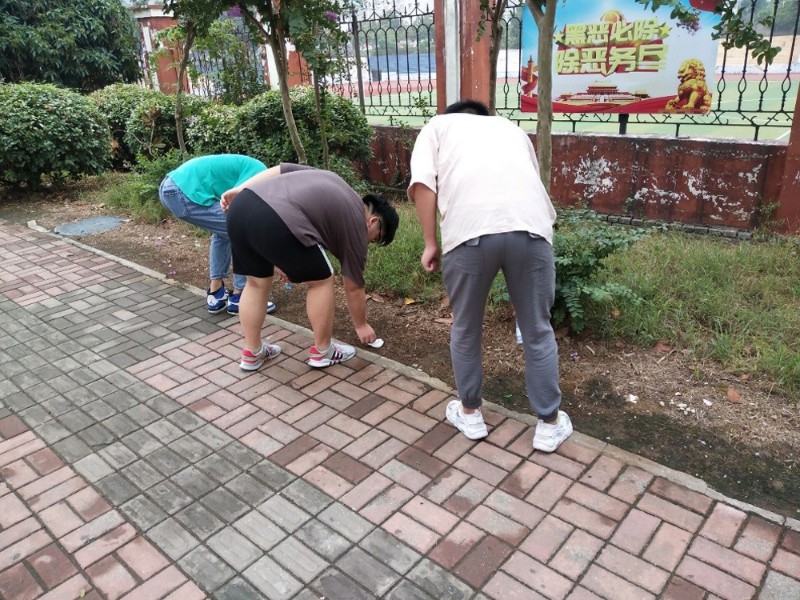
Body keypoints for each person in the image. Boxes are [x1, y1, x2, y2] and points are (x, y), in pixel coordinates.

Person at [407, 99, 572, 453]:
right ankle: (548, 424)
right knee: (537, 329)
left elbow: (423, 184)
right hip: (531, 230)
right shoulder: (511, 129)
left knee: (466, 327)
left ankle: (471, 414)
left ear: (453, 115)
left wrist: (430, 242)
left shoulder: (438, 126)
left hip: (469, 233)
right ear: (485, 116)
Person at [221, 163, 399, 371]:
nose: (368, 243)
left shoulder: (332, 180)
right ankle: (324, 352)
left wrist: (240, 189)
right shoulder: (356, 223)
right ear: (373, 221)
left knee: (256, 283)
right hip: (275, 217)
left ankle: (253, 353)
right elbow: (353, 286)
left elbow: (281, 169)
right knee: (322, 279)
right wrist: (361, 325)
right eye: (376, 238)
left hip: (241, 207)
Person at [158, 154, 277, 316]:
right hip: (182, 191)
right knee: (241, 232)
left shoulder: (256, 170)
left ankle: (216, 293)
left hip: (171, 188)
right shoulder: (259, 175)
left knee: (223, 233)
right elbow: (241, 208)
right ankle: (240, 295)